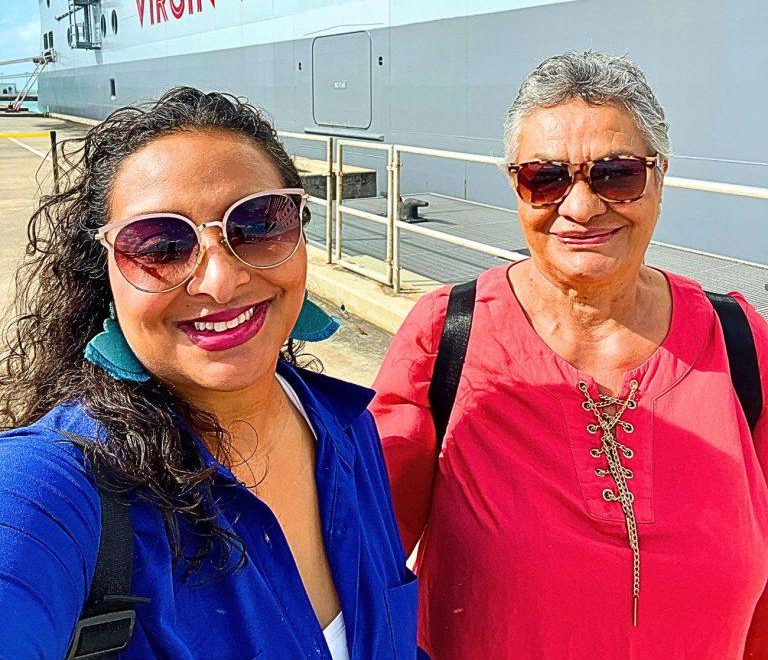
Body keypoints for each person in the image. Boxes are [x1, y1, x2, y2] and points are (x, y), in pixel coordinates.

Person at [371, 51, 768, 659]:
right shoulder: (448, 336)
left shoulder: (738, 340)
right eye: (546, 177)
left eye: (615, 175)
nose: (580, 207)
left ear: (659, 177)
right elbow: (361, 561)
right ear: (515, 186)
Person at [0, 87, 421, 659]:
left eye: (257, 224)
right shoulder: (61, 483)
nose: (219, 282)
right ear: (105, 273)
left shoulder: (349, 429)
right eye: (159, 245)